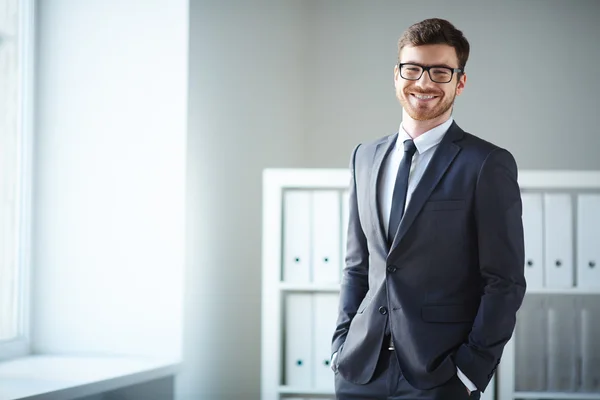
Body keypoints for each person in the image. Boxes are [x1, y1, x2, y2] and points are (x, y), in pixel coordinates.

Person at [330, 18, 526, 400]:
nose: (423, 82)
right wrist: (340, 346)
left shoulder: (486, 163)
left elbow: (504, 281)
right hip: (359, 371)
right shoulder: (364, 157)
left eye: (440, 71)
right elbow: (358, 266)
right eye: (413, 69)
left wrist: (471, 371)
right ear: (396, 75)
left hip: (439, 376)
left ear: (460, 82)